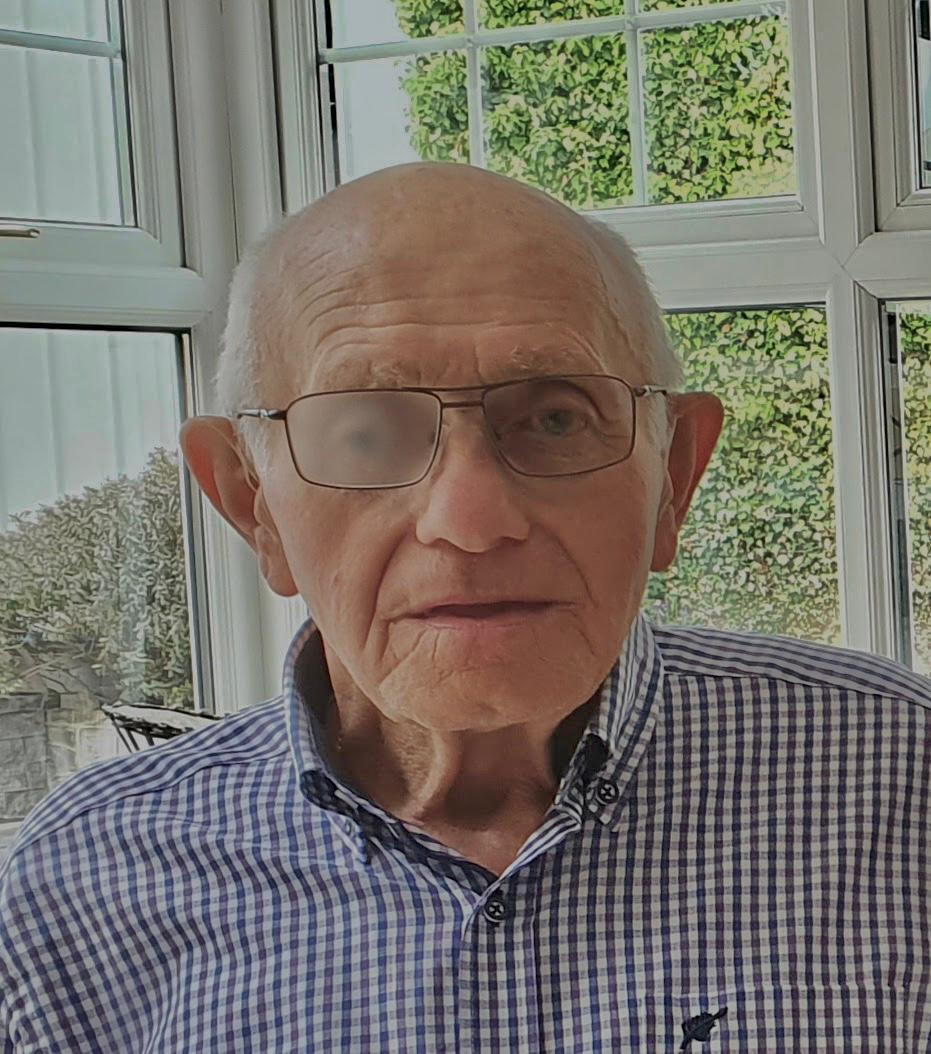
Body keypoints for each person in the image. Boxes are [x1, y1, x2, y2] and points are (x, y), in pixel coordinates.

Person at [1, 162, 928, 1053]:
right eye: (364, 432)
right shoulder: (78, 887)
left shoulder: (903, 782)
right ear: (253, 505)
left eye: (556, 417)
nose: (470, 521)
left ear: (673, 479)